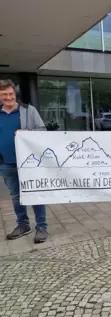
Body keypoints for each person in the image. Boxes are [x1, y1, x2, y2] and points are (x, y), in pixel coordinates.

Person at [0, 79, 49, 243]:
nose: (8, 97)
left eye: (11, 93)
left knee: (34, 193)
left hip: (29, 163)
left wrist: (27, 131)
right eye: (4, 95)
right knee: (16, 196)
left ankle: (41, 227)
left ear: (15, 93)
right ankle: (23, 225)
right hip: (6, 163)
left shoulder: (29, 111)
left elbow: (43, 130)